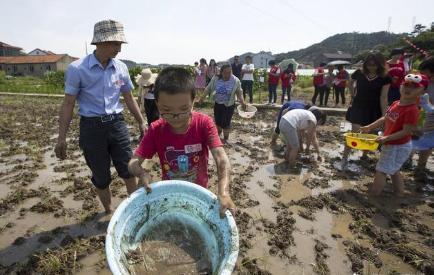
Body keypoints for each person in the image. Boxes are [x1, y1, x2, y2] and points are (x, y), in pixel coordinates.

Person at [54, 20, 147, 214]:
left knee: (128, 168)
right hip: (91, 128)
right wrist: (61, 137)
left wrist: (141, 122)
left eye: (120, 44)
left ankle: (134, 211)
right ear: (101, 42)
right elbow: (68, 104)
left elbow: (129, 98)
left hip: (117, 124)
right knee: (101, 176)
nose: (119, 49)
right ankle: (109, 211)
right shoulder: (77, 69)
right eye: (115, 44)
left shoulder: (121, 68)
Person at [127, 67, 236, 217]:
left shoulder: (204, 123)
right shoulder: (155, 129)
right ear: (157, 103)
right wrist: (142, 173)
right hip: (171, 190)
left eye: (184, 109)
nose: (176, 116)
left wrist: (223, 192)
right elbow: (133, 163)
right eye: (167, 109)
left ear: (193, 101)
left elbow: (221, 158)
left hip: (199, 191)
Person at [360, 74, 426, 196]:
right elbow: (384, 118)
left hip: (397, 145)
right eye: (406, 85)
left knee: (381, 169)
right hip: (394, 143)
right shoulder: (396, 103)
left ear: (421, 91)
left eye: (414, 87)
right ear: (401, 86)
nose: (408, 89)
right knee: (394, 169)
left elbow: (406, 131)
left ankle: (374, 195)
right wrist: (369, 127)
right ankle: (399, 192)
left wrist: (386, 138)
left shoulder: (412, 109)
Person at [340, 53, 391, 169]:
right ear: (365, 64)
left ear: (380, 65)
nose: (371, 67)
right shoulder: (359, 73)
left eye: (374, 65)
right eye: (369, 65)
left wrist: (384, 117)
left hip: (374, 109)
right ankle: (345, 157)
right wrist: (352, 95)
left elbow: (384, 97)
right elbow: (350, 82)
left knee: (369, 135)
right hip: (358, 106)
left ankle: (364, 155)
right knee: (354, 133)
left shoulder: (385, 77)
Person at [205, 64, 247, 143]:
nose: (227, 75)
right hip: (218, 103)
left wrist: (242, 102)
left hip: (229, 105)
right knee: (218, 121)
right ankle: (218, 136)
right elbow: (208, 88)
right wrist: (201, 97)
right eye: (225, 73)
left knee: (226, 123)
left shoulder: (235, 80)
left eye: (229, 72)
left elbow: (239, 92)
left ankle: (225, 139)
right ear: (221, 72)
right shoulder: (216, 78)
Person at [412, 57, 434, 174]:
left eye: (424, 73)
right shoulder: (424, 83)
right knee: (417, 138)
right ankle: (412, 163)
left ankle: (421, 167)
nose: (422, 75)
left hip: (430, 118)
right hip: (423, 117)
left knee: (429, 144)